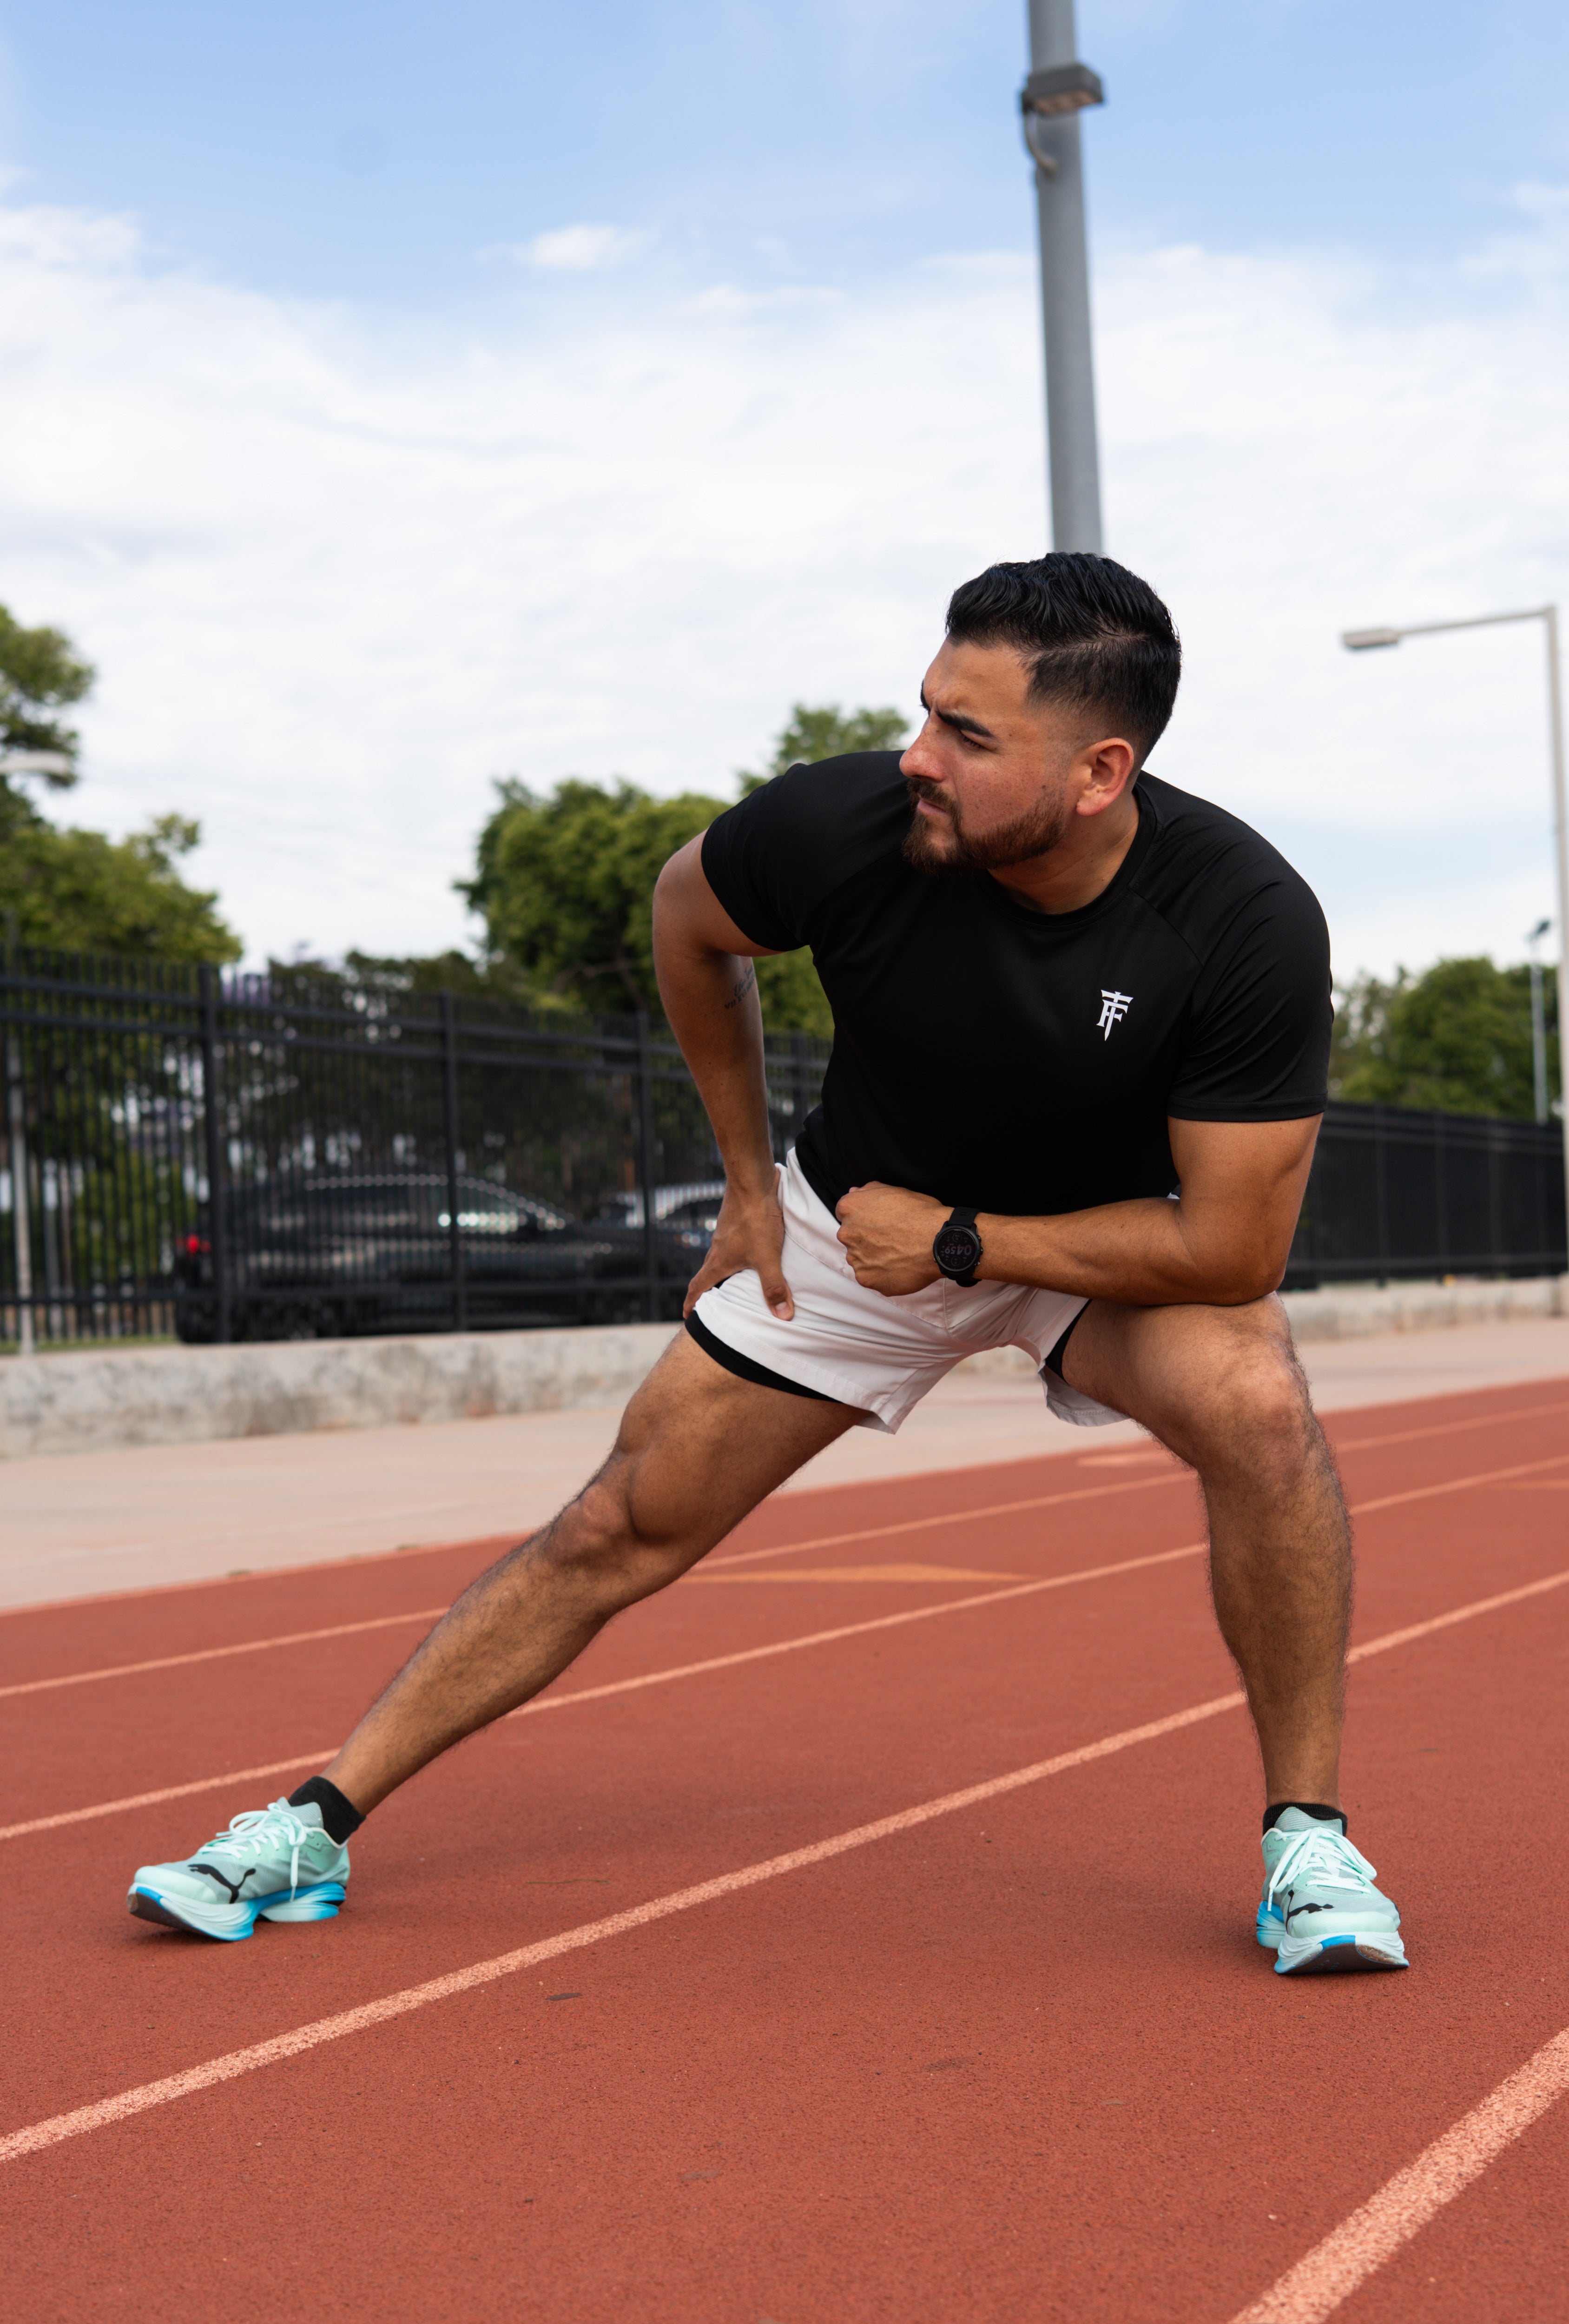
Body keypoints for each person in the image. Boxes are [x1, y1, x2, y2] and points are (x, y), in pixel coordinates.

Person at [128, 553, 1406, 1979]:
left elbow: (1233, 1244)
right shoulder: (846, 826)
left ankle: (1310, 1842)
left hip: (1091, 1243)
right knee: (621, 1522)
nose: (917, 758)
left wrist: (969, 1246)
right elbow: (691, 922)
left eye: (968, 739)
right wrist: (747, 1183)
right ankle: (311, 1824)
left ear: (1101, 772)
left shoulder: (1241, 921)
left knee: (1262, 1408)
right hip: (855, 1222)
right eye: (925, 711)